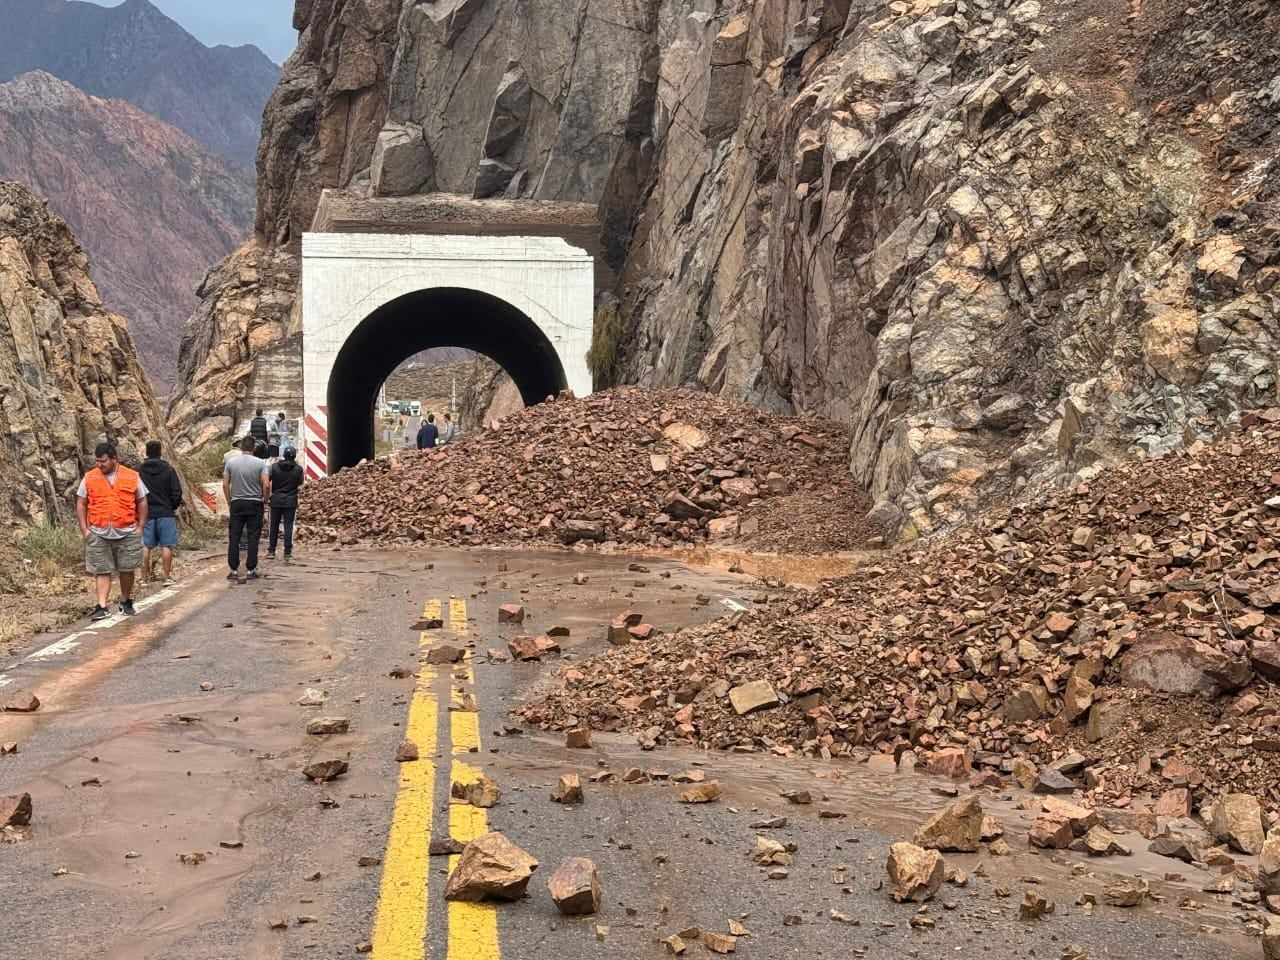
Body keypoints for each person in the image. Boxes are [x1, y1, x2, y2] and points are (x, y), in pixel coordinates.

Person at [76, 442, 148, 621]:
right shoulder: (90, 477)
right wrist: (85, 530)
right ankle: (102, 606)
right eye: (97, 461)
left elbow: (142, 501)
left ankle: (125, 601)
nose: (99, 465)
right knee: (101, 570)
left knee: (127, 568)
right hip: (98, 532)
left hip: (127, 531)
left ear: (115, 459)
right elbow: (81, 503)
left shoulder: (132, 476)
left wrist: (140, 528)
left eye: (103, 461)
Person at [223, 436, 270, 582]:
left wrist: (229, 501)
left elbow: (225, 485)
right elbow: (266, 485)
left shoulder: (231, 462)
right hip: (255, 503)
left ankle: (233, 569)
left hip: (237, 502)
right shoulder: (261, 463)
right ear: (254, 448)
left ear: (241, 447)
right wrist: (265, 501)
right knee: (253, 536)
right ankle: (251, 569)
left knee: (234, 536)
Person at [138, 440, 183, 584]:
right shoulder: (168, 470)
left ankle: (143, 578)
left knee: (146, 545)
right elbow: (177, 492)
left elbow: (136, 492)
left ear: (146, 452)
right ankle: (166, 576)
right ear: (160, 452)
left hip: (147, 513)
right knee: (166, 545)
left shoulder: (140, 471)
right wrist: (172, 506)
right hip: (165, 512)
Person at [268, 447, 305, 561]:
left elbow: (266, 480)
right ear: (294, 456)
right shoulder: (298, 469)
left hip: (276, 501)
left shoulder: (274, 468)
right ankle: (287, 552)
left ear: (283, 455)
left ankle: (271, 551)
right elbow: (300, 482)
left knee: (273, 526)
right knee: (288, 526)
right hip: (290, 501)